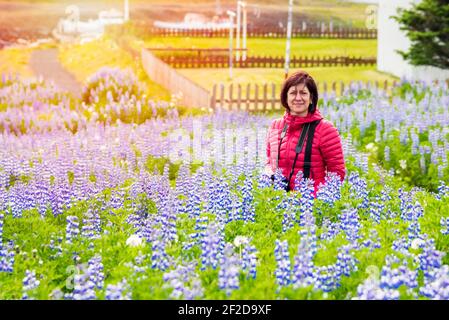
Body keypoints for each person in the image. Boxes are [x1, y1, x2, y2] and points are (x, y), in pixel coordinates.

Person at [265, 70, 345, 195]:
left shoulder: (325, 129)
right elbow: (270, 163)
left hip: (312, 205)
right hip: (279, 202)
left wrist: (322, 199)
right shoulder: (276, 126)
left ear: (311, 98)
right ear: (286, 97)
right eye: (293, 93)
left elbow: (337, 172)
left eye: (303, 93)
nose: (298, 98)